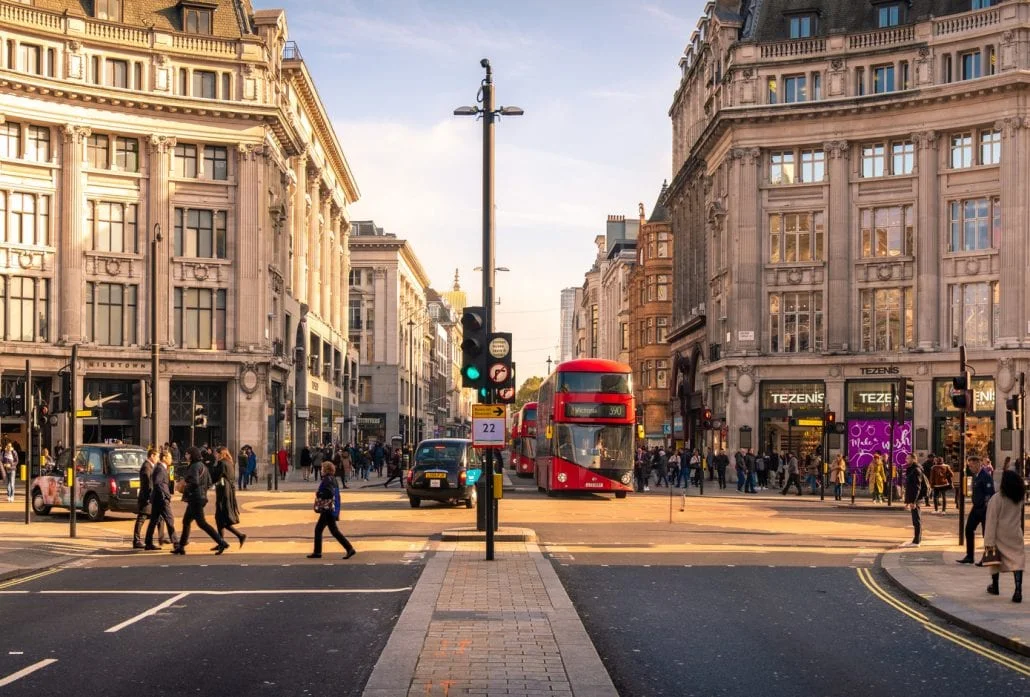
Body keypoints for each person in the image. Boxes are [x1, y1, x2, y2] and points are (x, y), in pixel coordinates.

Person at [174, 447, 228, 555]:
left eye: (187, 454)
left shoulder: (194, 466)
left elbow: (194, 482)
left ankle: (221, 542)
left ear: (192, 455)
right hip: (200, 497)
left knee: (202, 523)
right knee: (186, 521)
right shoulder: (203, 466)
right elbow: (208, 482)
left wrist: (184, 488)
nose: (186, 456)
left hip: (195, 498)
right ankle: (181, 546)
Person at [984, 470, 1025, 603]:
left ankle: (995, 586)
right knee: (1017, 561)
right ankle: (1018, 590)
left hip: (999, 535)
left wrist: (988, 540)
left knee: (995, 560)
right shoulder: (1019, 498)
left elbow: (991, 521)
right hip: (1015, 534)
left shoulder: (997, 498)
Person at [308, 461, 356, 560]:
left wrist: (319, 494)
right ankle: (318, 552)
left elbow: (329, 494)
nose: (321, 470)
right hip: (332, 508)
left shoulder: (327, 479)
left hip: (328, 509)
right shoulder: (333, 479)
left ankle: (349, 548)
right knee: (327, 530)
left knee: (327, 530)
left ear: (326, 470)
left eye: (322, 469)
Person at [957, 458, 995, 564]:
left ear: (978, 464)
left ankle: (987, 557)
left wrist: (986, 507)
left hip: (984, 509)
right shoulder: (976, 476)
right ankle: (970, 556)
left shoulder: (985, 476)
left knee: (986, 534)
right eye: (969, 466)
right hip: (976, 507)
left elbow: (989, 493)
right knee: (969, 529)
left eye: (972, 465)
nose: (970, 468)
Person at [211, 447, 246, 548]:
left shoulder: (222, 463)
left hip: (223, 492)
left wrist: (214, 466)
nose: (215, 455)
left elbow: (215, 476)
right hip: (228, 491)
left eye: (216, 453)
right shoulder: (229, 462)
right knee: (220, 518)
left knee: (220, 518)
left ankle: (233, 538)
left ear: (220, 454)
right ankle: (223, 542)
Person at [144, 451, 178, 551]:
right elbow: (157, 483)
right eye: (169, 457)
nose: (171, 459)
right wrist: (165, 495)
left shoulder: (162, 468)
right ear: (164, 458)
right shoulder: (160, 468)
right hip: (161, 499)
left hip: (157, 498)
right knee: (169, 519)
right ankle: (176, 543)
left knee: (154, 520)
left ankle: (148, 542)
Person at [133, 448, 164, 549]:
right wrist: (149, 497)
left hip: (149, 497)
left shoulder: (150, 466)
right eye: (157, 456)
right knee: (142, 518)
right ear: (152, 456)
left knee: (158, 518)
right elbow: (148, 484)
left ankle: (160, 538)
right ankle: (137, 540)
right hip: (146, 498)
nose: (158, 458)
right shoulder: (147, 467)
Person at [901, 454, 928, 547]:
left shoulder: (916, 470)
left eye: (908, 458)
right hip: (914, 499)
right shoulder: (912, 469)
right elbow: (910, 487)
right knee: (915, 520)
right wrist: (908, 501)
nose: (906, 459)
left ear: (913, 459)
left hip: (916, 499)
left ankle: (917, 541)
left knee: (916, 520)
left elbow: (917, 487)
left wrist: (913, 501)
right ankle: (916, 539)